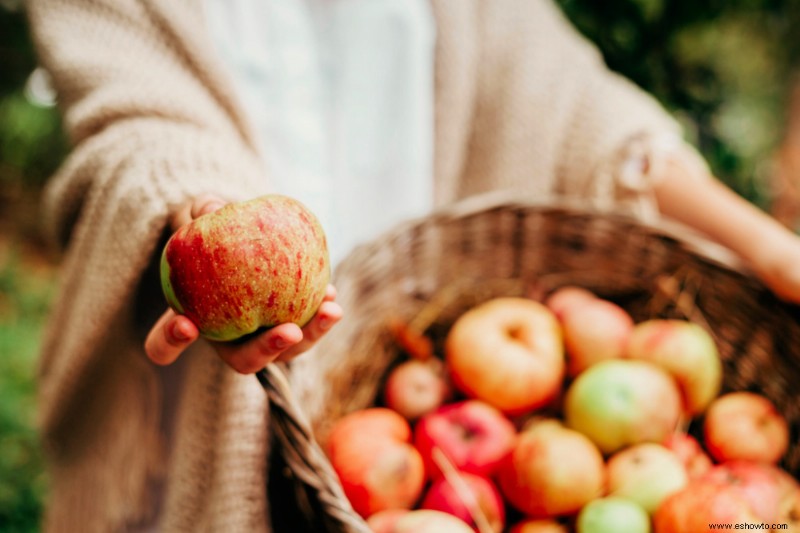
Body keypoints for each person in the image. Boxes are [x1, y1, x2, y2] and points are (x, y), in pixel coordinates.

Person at [25, 0, 800, 531]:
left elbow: (565, 104)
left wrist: (768, 248)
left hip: (417, 308)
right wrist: (200, 219)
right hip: (224, 368)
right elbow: (137, 119)